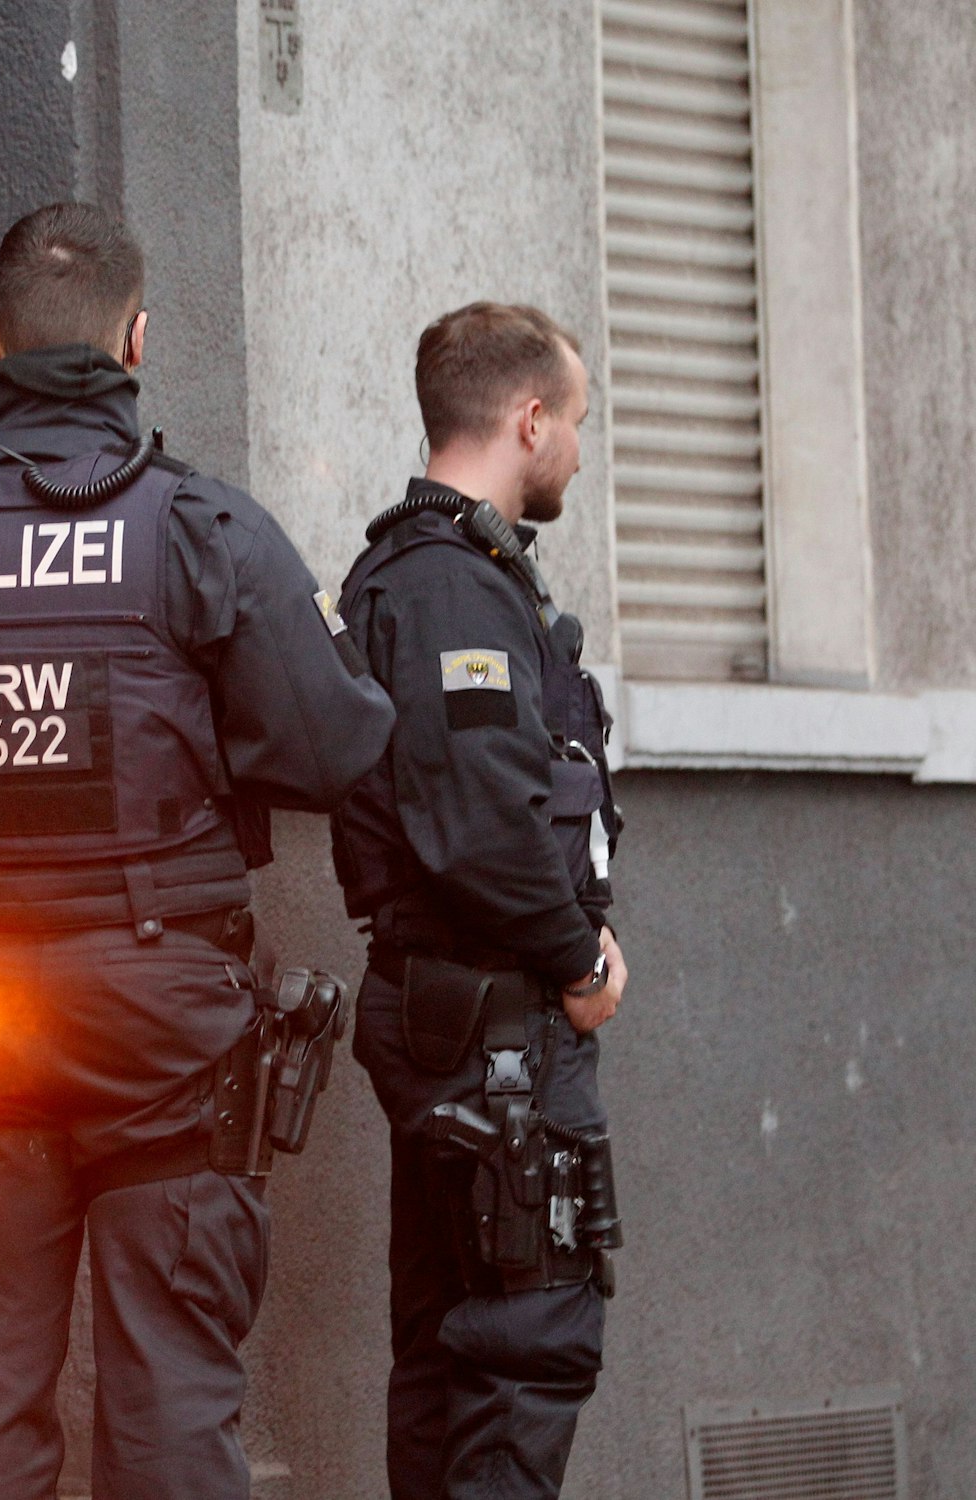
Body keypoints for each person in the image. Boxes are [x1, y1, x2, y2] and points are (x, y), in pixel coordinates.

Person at [0, 201, 394, 1500]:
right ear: (140, 340)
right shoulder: (204, 534)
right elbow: (335, 752)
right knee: (172, 1420)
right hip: (165, 1019)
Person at [330, 301, 630, 1499]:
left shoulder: (434, 572)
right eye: (575, 425)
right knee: (519, 1350)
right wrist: (577, 962)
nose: (576, 454)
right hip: (496, 1022)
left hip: (463, 1018)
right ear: (525, 418)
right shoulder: (451, 587)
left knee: (459, 1351)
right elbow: (478, 821)